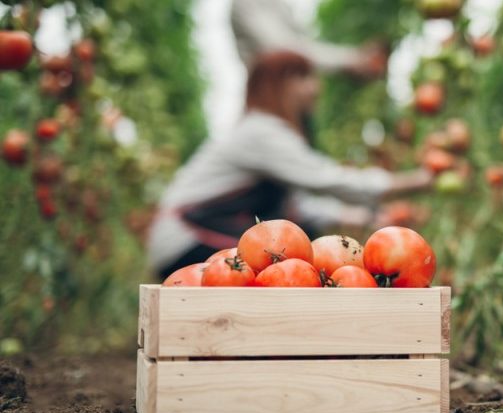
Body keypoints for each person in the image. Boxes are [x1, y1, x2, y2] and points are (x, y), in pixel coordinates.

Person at [147, 51, 431, 279]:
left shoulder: (263, 132)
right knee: (292, 260)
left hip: (189, 236)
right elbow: (327, 179)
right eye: (303, 77)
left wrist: (366, 218)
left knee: (294, 251)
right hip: (186, 240)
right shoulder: (262, 133)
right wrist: (413, 181)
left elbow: (299, 207)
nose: (316, 87)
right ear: (279, 85)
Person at [230, 0, 385, 77]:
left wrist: (355, 58)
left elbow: (303, 45)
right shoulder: (246, 4)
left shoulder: (279, 5)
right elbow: (284, 50)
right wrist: (353, 59)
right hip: (267, 103)